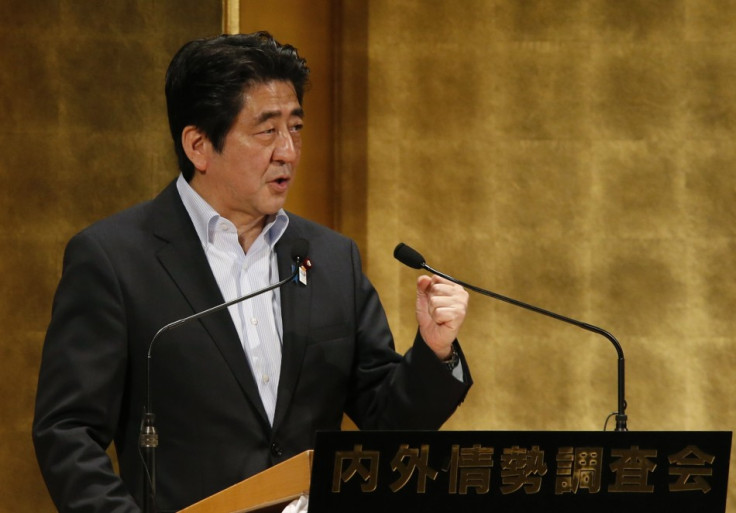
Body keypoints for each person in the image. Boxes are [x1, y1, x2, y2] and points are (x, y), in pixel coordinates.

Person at [32, 32, 472, 513]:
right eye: (267, 131)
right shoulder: (114, 260)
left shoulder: (329, 258)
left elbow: (387, 425)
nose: (288, 151)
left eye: (296, 128)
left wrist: (434, 351)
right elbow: (67, 434)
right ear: (199, 145)